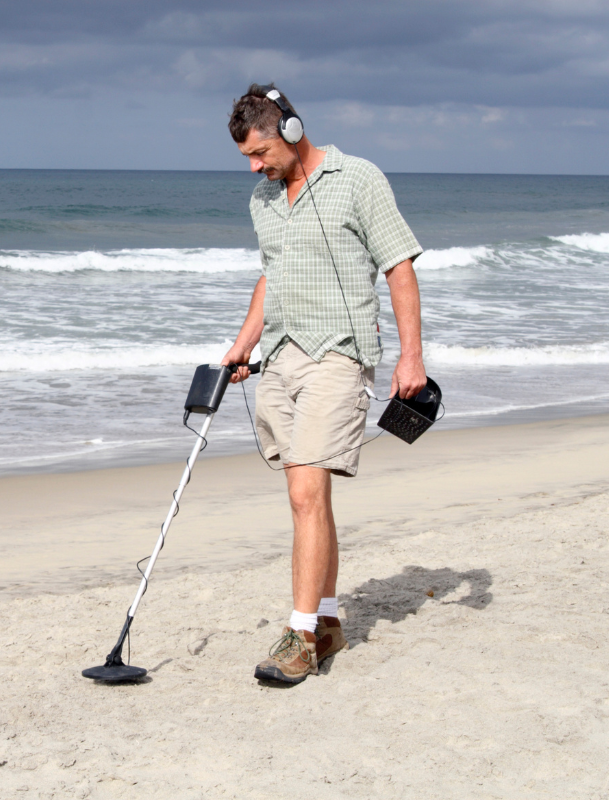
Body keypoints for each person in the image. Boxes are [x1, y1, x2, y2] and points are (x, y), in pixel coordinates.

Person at [221, 83, 427, 684]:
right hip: (281, 359)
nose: (256, 168)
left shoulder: (358, 179)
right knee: (309, 497)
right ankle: (330, 620)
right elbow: (271, 276)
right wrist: (244, 342)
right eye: (247, 160)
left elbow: (399, 264)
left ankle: (300, 636)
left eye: (261, 154)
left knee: (305, 495)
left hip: (338, 357)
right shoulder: (263, 200)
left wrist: (410, 357)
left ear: (289, 130)